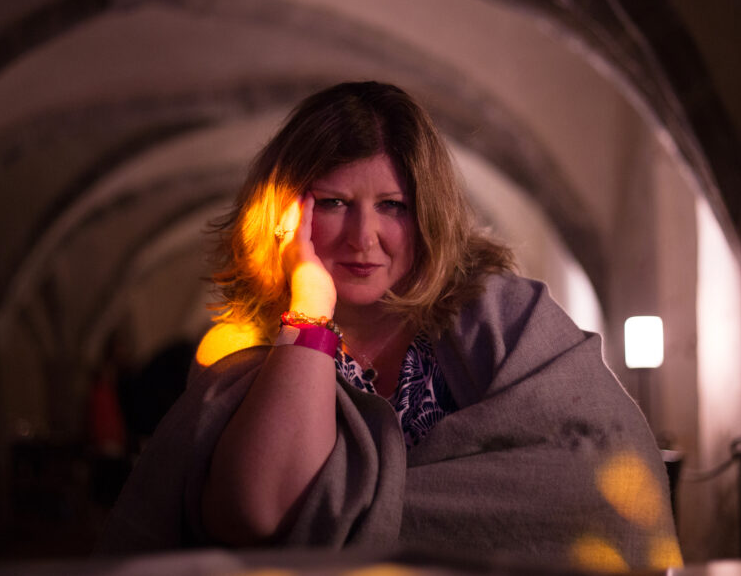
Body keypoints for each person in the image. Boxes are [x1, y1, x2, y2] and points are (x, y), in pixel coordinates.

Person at [99, 82, 681, 571]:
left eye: (393, 206)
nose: (363, 237)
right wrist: (311, 305)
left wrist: (344, 528)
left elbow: (597, 487)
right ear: (282, 213)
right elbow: (258, 514)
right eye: (331, 203)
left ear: (427, 215)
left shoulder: (505, 323)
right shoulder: (256, 355)